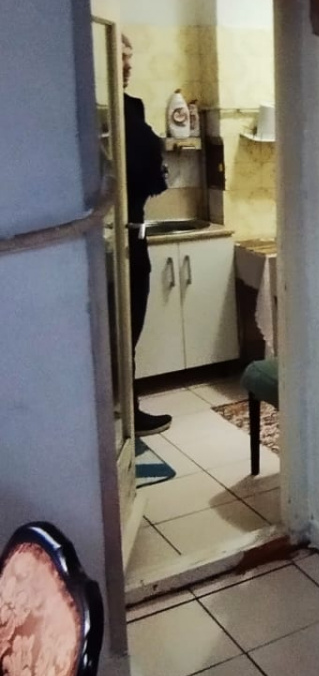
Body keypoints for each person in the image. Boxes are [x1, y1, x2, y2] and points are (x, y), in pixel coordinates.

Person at [121, 35, 172, 435]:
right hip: (123, 239)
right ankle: (128, 415)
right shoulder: (118, 111)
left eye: (129, 58)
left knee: (126, 331)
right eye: (122, 57)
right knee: (124, 329)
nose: (127, 65)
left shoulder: (123, 108)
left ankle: (127, 410)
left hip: (128, 235)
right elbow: (150, 172)